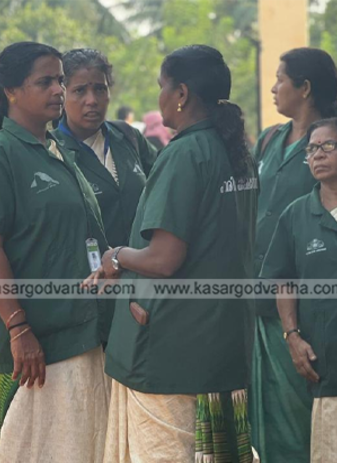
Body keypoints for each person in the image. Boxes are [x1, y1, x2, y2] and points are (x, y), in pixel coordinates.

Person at [97, 45, 258, 462]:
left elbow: (164, 259)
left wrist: (116, 256)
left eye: (162, 87)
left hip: (173, 347)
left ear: (182, 92)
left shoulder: (185, 153)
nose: (160, 98)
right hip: (222, 340)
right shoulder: (237, 152)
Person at [0, 42, 110, 462]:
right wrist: (19, 329)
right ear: (10, 90)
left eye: (60, 80)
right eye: (45, 81)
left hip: (87, 330)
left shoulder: (58, 151)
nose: (58, 90)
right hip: (42, 342)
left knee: (82, 447)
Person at [251, 47, 337, 463]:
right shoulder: (271, 139)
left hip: (312, 298)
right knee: (267, 416)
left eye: (280, 78)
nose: (274, 87)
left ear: (305, 87)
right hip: (263, 290)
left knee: (306, 414)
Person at [54, 48, 157, 248]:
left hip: (143, 271)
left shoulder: (128, 137)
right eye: (80, 90)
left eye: (100, 89)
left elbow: (164, 183)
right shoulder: (52, 151)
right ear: (62, 95)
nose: (92, 100)